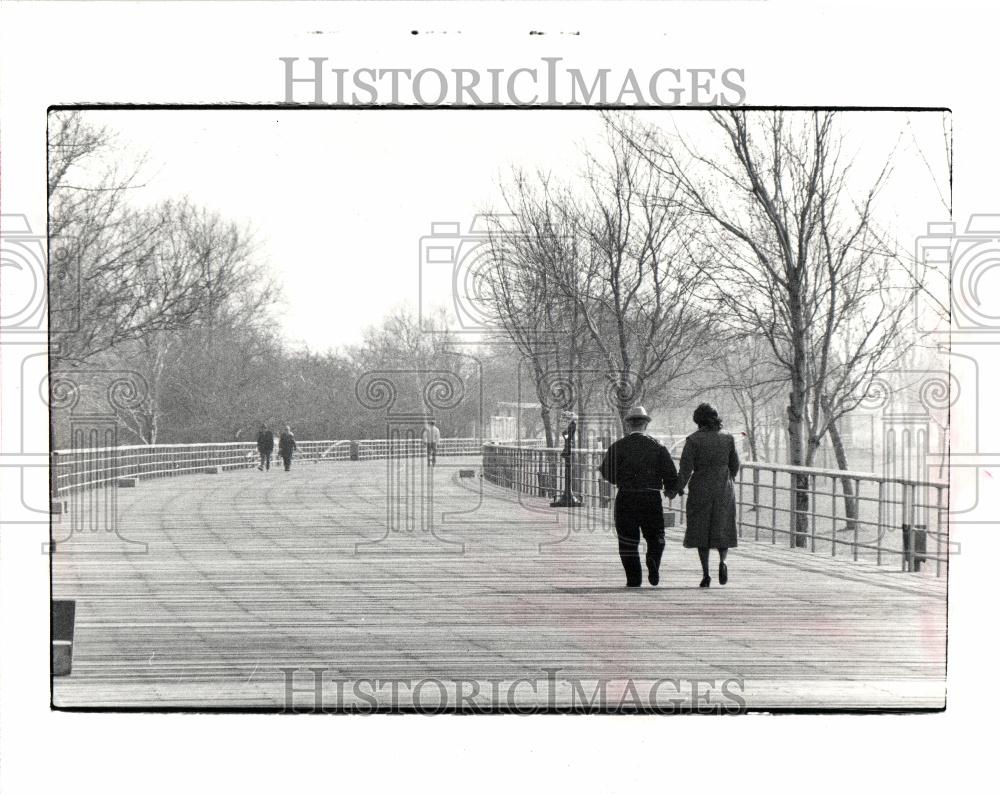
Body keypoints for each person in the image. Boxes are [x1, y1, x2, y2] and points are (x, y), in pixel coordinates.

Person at [599, 406, 679, 588]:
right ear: (645, 424)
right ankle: (653, 560)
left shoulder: (617, 446)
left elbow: (606, 471)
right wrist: (670, 489)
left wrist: (619, 479)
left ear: (628, 425)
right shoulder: (658, 446)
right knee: (656, 536)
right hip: (651, 496)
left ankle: (633, 579)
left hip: (626, 496)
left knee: (627, 540)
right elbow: (670, 474)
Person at [675, 403, 740, 588]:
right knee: (723, 525)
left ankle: (705, 573)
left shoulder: (693, 440)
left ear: (698, 420)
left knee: (701, 529)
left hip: (701, 488)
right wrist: (728, 479)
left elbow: (685, 470)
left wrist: (676, 488)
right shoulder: (728, 438)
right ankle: (723, 561)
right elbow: (735, 464)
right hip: (723, 488)